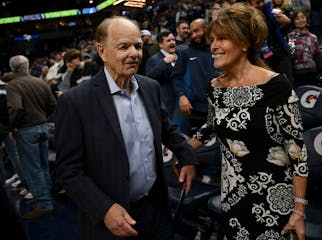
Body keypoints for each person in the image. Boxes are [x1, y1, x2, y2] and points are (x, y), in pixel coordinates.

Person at [55, 16, 198, 240]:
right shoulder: (75, 102)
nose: (134, 53)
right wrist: (103, 209)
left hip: (157, 210)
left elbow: (166, 129)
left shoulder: (150, 87)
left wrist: (186, 155)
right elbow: (68, 171)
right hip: (112, 221)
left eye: (138, 46)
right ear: (101, 51)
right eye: (124, 46)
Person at [187, 3, 308, 239]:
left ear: (244, 43)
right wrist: (184, 151)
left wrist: (299, 210)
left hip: (274, 202)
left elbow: (297, 152)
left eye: (222, 38)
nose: (213, 46)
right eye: (212, 39)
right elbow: (210, 126)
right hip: (232, 198)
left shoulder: (276, 85)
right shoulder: (215, 87)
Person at [7, 55, 57, 219]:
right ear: (27, 66)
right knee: (43, 166)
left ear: (13, 68)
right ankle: (47, 198)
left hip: (26, 130)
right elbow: (53, 105)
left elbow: (15, 109)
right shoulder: (40, 81)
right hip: (43, 126)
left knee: (33, 169)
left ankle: (44, 204)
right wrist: (42, 117)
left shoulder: (13, 85)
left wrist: (13, 126)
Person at [172, 18, 216, 136]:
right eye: (192, 32)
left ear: (206, 29)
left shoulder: (216, 49)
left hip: (216, 106)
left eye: (197, 31)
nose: (194, 35)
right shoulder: (186, 52)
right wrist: (181, 96)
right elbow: (176, 77)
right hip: (193, 109)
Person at [248, 0, 295, 85]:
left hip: (280, 54)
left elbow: (283, 32)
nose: (261, 4)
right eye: (258, 3)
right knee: (269, 87)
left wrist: (287, 23)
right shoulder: (245, 18)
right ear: (249, 3)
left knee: (288, 84)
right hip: (261, 59)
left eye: (262, 1)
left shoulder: (270, 10)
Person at [288, 9, 322, 87]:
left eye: (302, 17)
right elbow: (291, 56)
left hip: (313, 73)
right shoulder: (290, 38)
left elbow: (318, 55)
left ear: (307, 19)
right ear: (293, 22)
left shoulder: (313, 37)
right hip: (297, 75)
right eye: (297, 18)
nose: (300, 20)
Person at [146, 31, 177, 118]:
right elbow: (149, 77)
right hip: (165, 102)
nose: (172, 42)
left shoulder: (178, 56)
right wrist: (164, 62)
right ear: (161, 45)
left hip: (179, 101)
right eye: (168, 40)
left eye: (173, 40)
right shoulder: (154, 59)